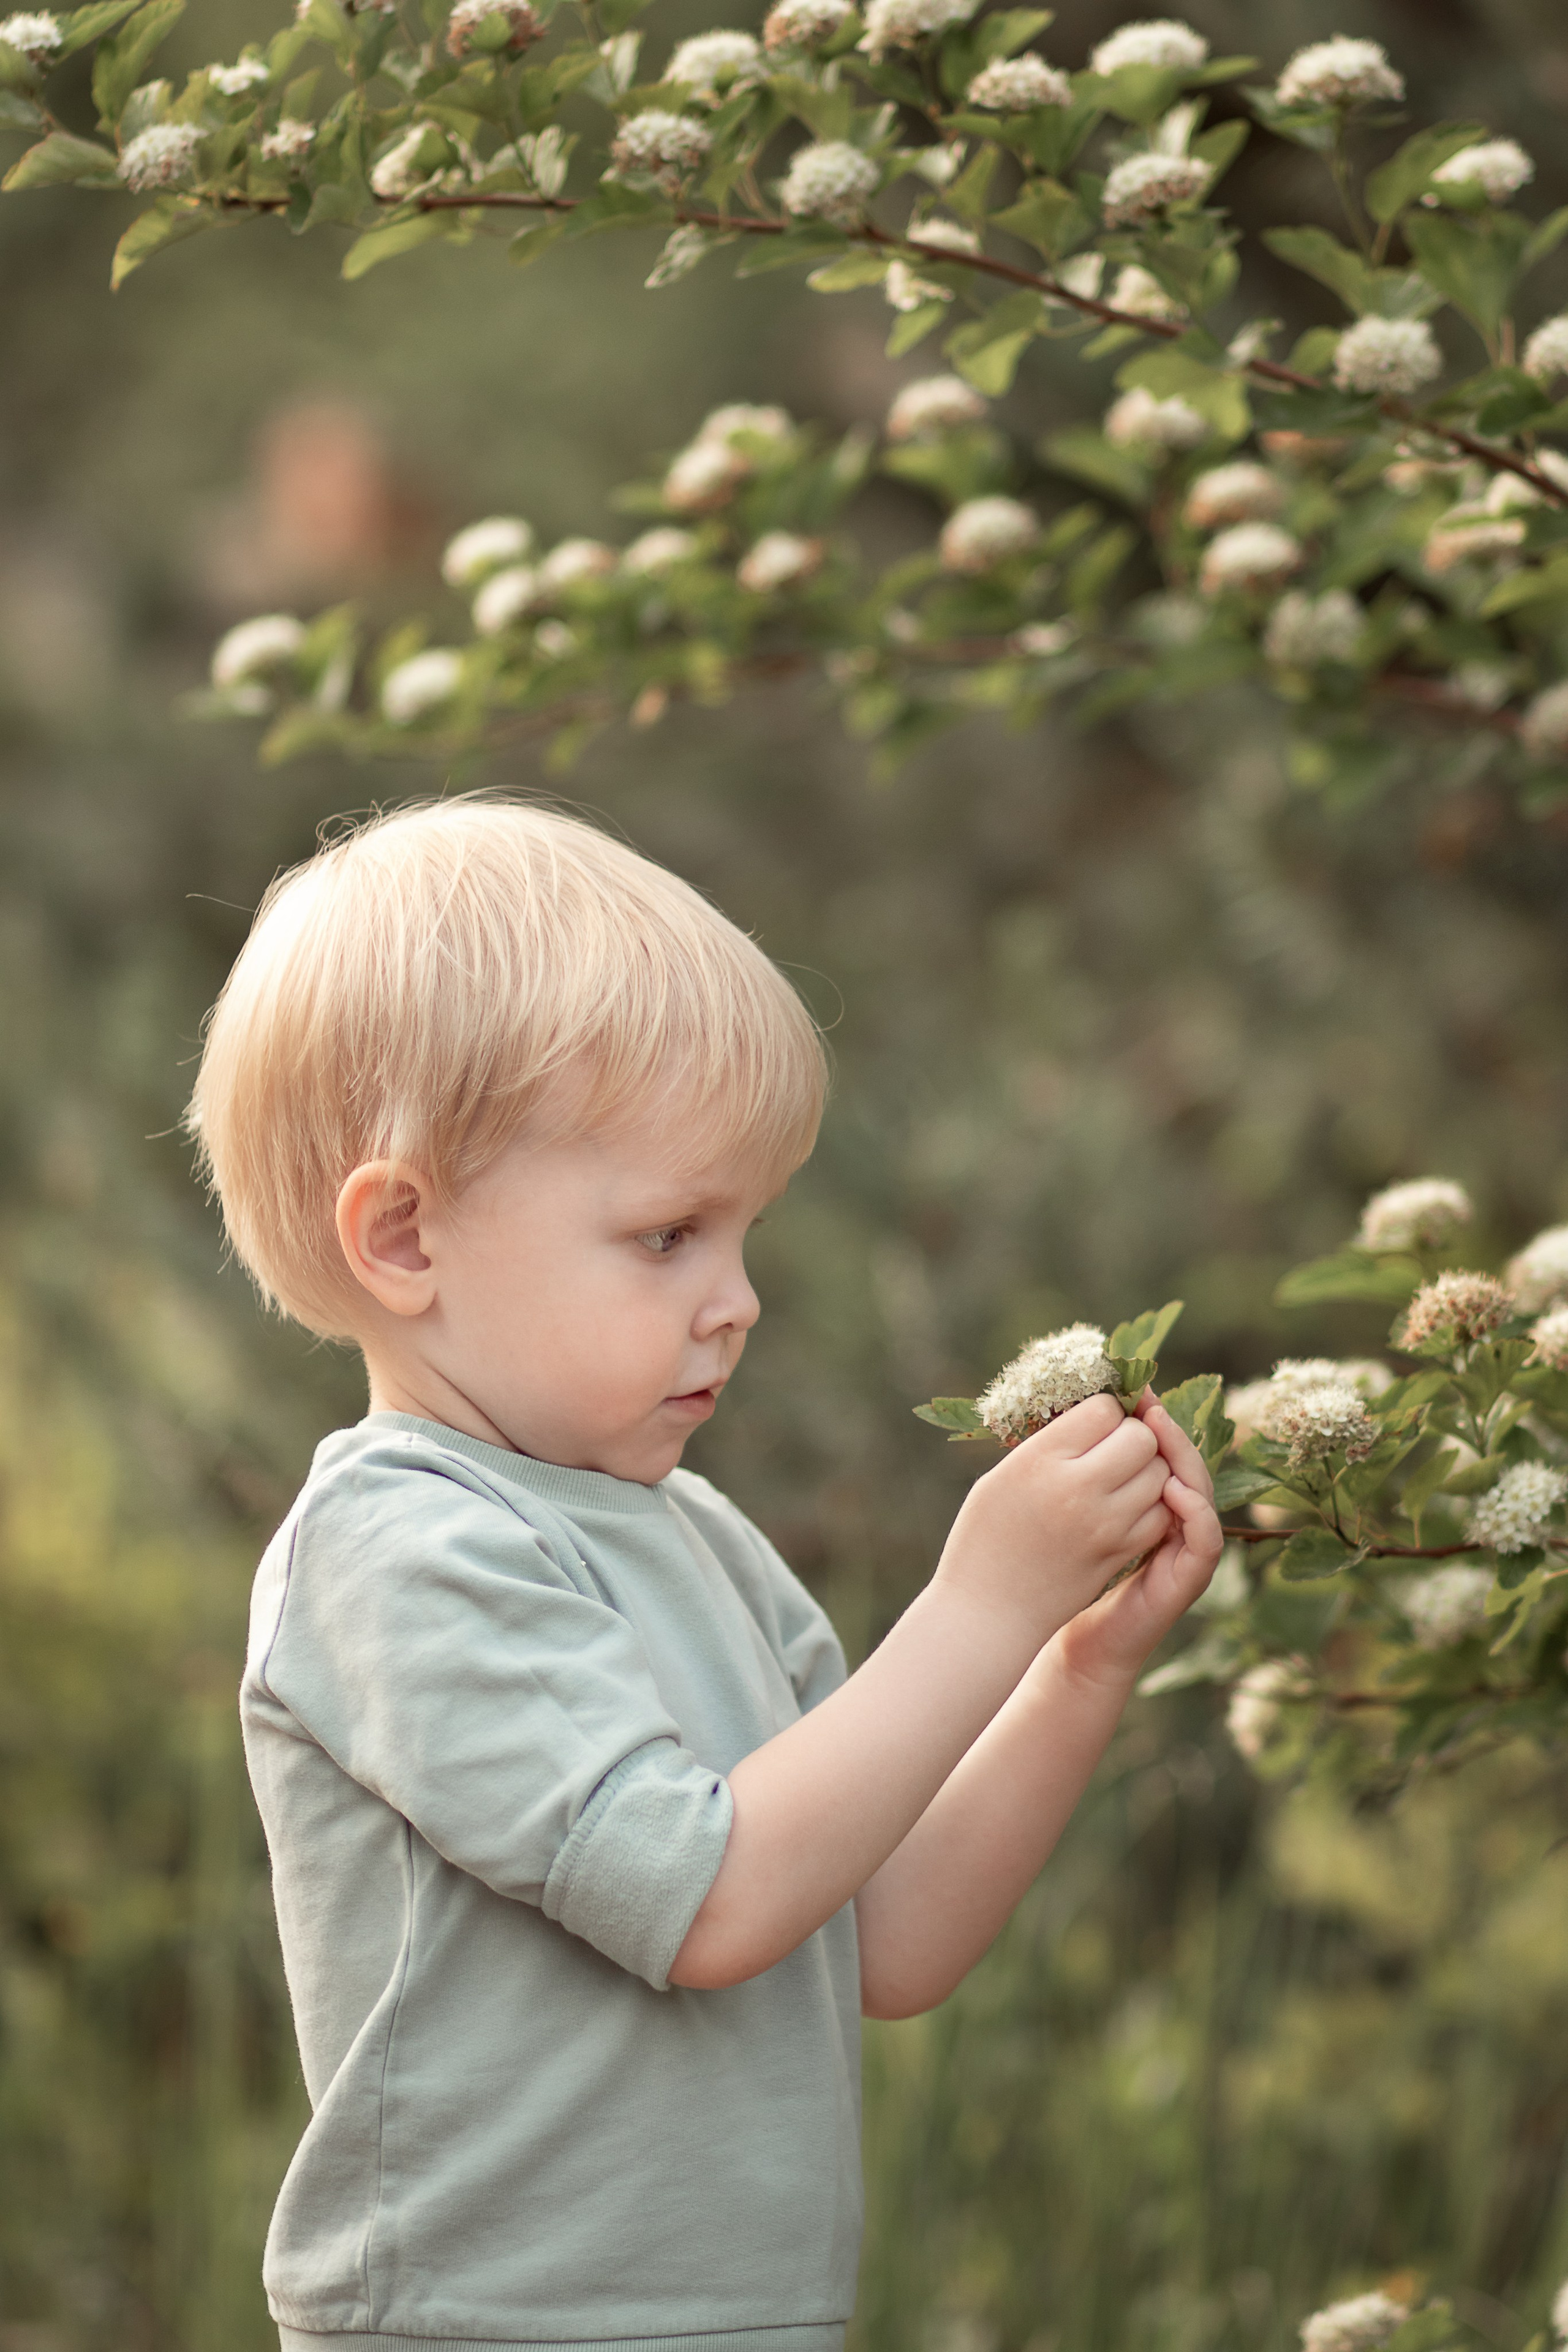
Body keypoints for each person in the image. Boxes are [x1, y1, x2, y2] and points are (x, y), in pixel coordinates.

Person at [190, 796, 1221, 2352]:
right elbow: (711, 1902)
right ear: (404, 1237)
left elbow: (878, 1938)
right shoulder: (395, 1549)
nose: (735, 1300)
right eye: (668, 1234)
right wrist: (980, 1604)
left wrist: (1069, 1662)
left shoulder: (698, 1542)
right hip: (483, 2323)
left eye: (742, 1235)